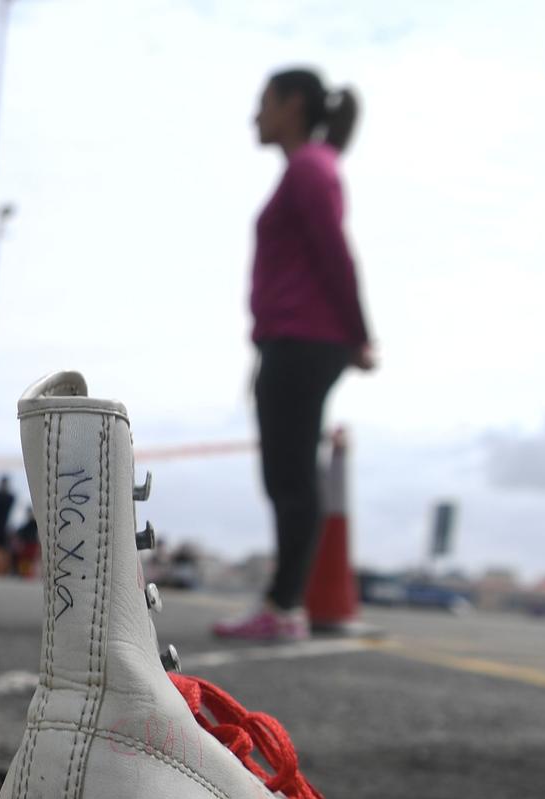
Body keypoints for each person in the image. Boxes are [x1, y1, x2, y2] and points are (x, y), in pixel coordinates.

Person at [215, 68, 373, 642]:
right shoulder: (308, 169)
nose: (256, 115)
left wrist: (360, 335)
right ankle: (283, 604)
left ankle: (284, 607)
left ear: (294, 104)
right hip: (297, 339)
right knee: (287, 472)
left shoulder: (310, 168)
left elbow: (337, 254)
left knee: (292, 475)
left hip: (305, 340)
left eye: (264, 103)